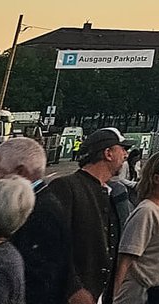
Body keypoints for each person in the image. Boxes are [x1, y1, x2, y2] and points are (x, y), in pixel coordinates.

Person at [16, 126, 127, 304]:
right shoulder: (66, 187)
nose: (126, 155)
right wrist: (72, 289)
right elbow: (50, 246)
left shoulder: (109, 192)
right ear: (108, 153)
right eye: (123, 149)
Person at [112, 150, 159, 304]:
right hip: (141, 297)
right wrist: (113, 298)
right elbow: (124, 261)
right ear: (156, 178)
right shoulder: (146, 212)